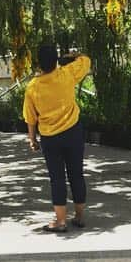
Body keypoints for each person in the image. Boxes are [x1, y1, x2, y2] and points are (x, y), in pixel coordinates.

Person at [22, 44, 91, 233]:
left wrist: (32, 139)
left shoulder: (33, 87)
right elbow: (85, 61)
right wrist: (72, 55)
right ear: (56, 60)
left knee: (57, 178)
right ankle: (79, 216)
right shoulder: (66, 74)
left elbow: (30, 118)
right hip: (73, 132)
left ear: (39, 63)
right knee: (76, 174)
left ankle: (60, 221)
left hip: (50, 137)